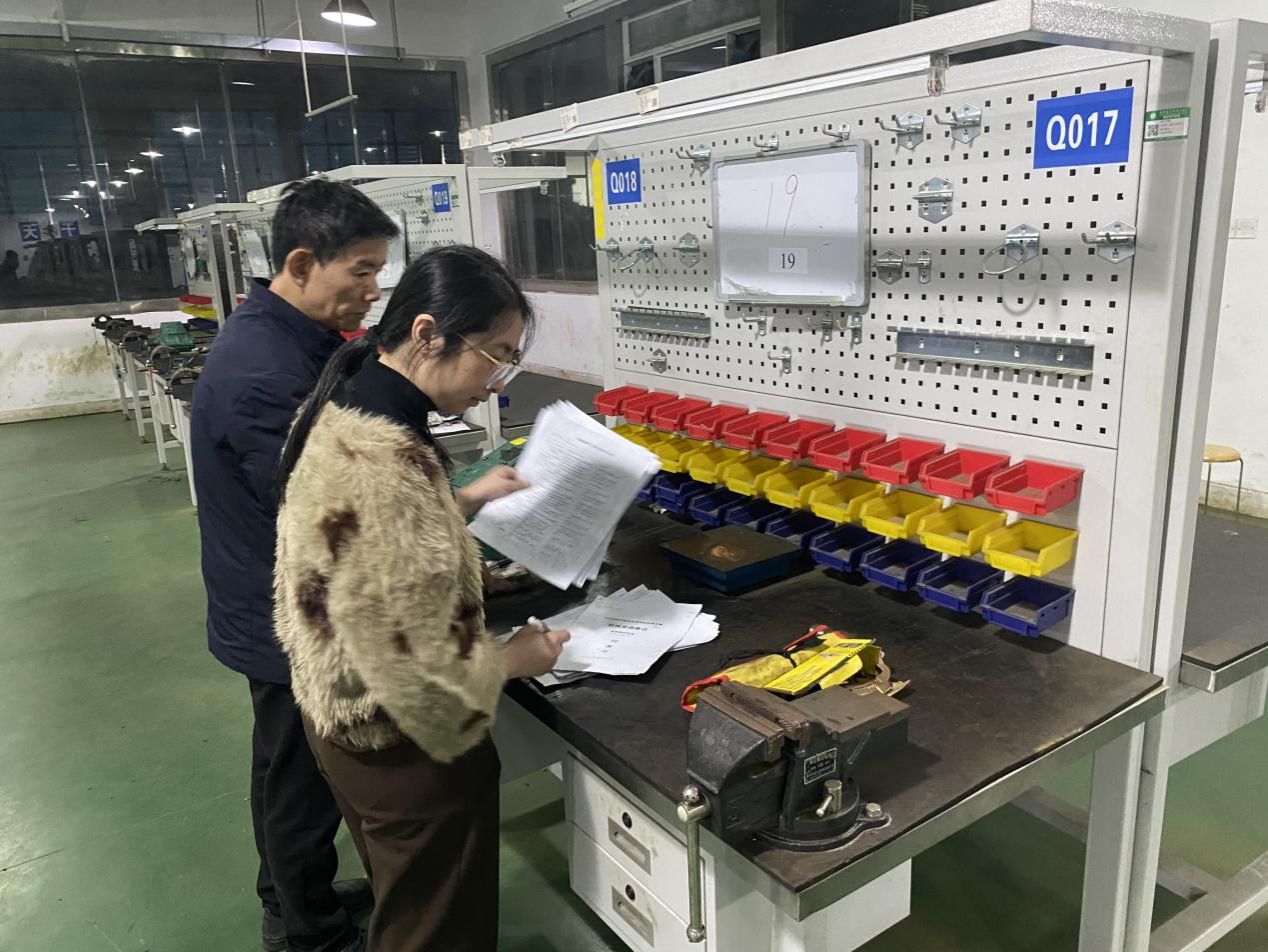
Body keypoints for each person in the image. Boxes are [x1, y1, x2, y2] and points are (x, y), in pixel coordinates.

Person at [272, 245, 570, 952]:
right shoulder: (387, 462)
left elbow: (359, 542)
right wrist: (516, 658)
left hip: (335, 716)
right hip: (403, 746)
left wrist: (456, 503)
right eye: (495, 356)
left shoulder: (349, 400)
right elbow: (408, 669)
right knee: (435, 932)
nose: (497, 383)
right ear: (428, 333)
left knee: (407, 905)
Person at [190, 178, 400, 952]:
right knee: (302, 783)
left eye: (379, 272)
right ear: (303, 263)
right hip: (282, 616)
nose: (372, 290)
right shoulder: (264, 372)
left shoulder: (289, 337)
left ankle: (288, 893)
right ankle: (309, 937)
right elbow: (324, 508)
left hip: (270, 597)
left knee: (280, 767)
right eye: (362, 271)